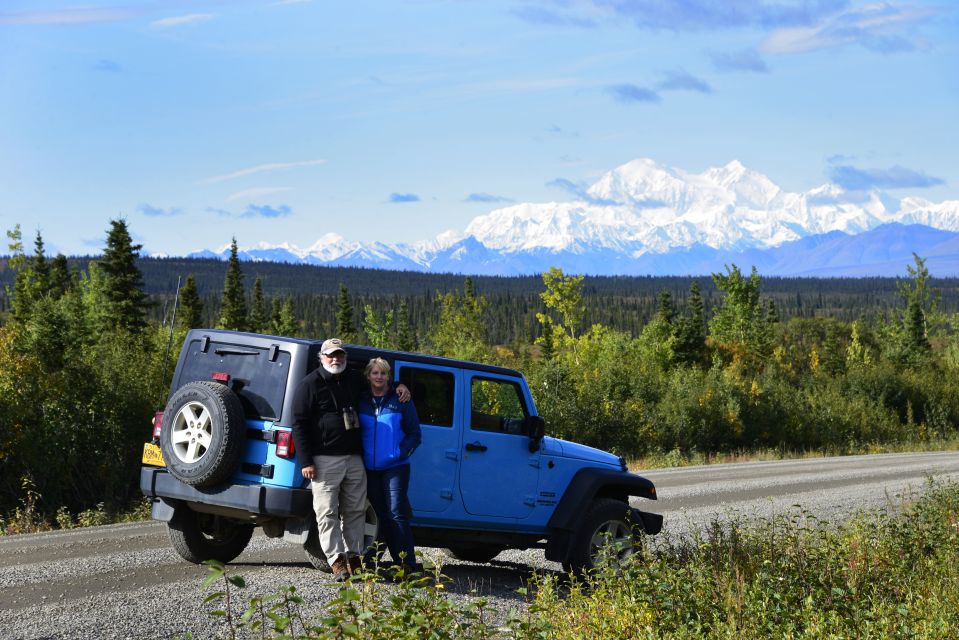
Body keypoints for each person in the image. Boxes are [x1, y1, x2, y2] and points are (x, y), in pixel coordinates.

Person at [291, 339, 410, 581]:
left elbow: (379, 381)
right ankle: (337, 562)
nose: (336, 359)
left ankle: (354, 558)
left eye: (340, 355)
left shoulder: (354, 379)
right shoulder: (309, 384)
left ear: (345, 357)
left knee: (355, 510)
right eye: (331, 355)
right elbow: (299, 423)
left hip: (355, 459)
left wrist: (401, 385)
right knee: (326, 512)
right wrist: (306, 461)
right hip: (323, 460)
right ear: (321, 357)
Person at [358, 357, 422, 575]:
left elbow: (415, 434)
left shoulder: (401, 399)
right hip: (370, 468)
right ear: (368, 376)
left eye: (383, 373)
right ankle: (376, 563)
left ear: (389, 377)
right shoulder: (362, 400)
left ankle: (407, 565)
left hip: (396, 467)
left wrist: (399, 453)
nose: (379, 377)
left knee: (397, 513)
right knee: (379, 515)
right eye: (375, 373)